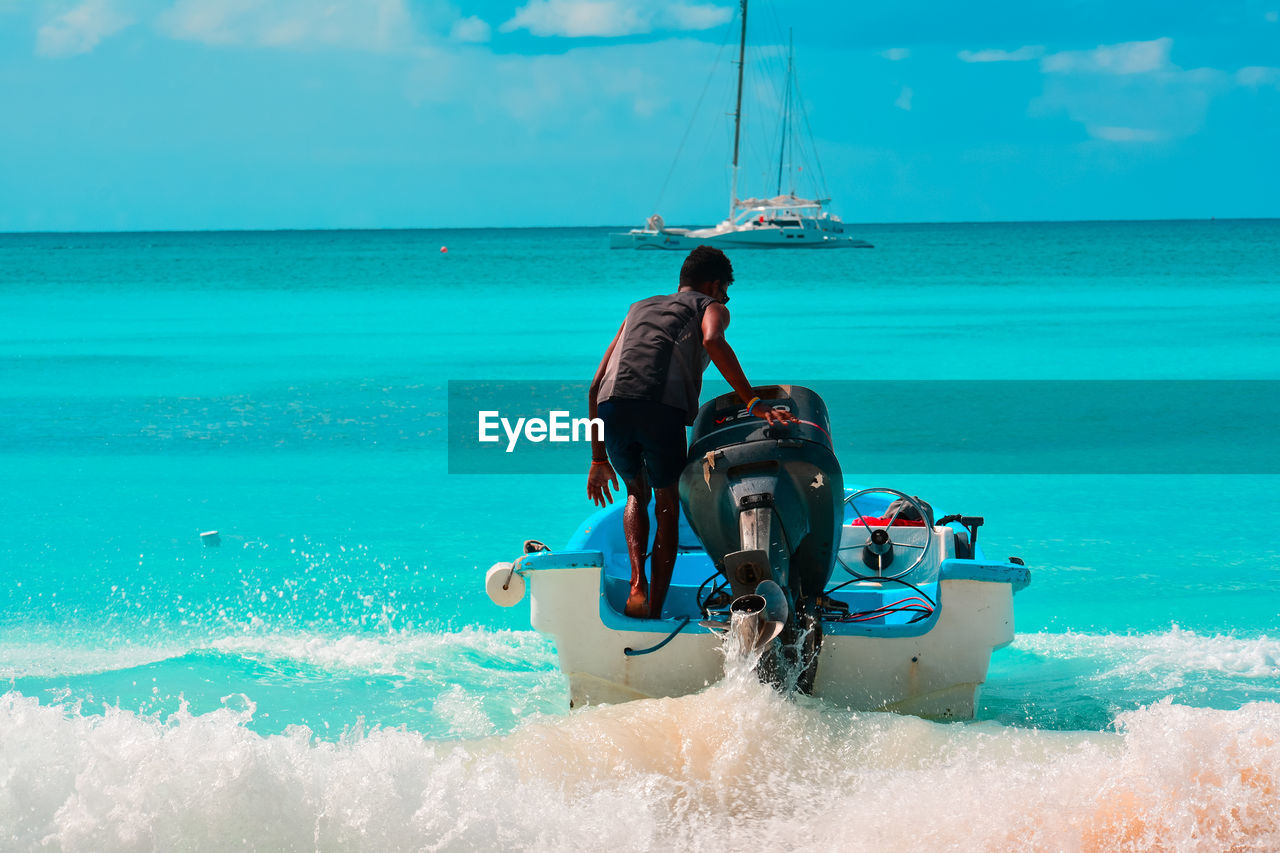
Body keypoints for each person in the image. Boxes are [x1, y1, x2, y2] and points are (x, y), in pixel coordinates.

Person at [586, 245, 797, 619]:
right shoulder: (710, 307)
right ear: (715, 285)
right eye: (726, 291)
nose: (726, 299)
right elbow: (713, 341)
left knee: (637, 493)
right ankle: (653, 610)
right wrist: (753, 403)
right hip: (658, 407)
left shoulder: (638, 308)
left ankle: (637, 583)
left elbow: (595, 382)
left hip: (610, 406)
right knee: (668, 505)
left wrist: (598, 458)